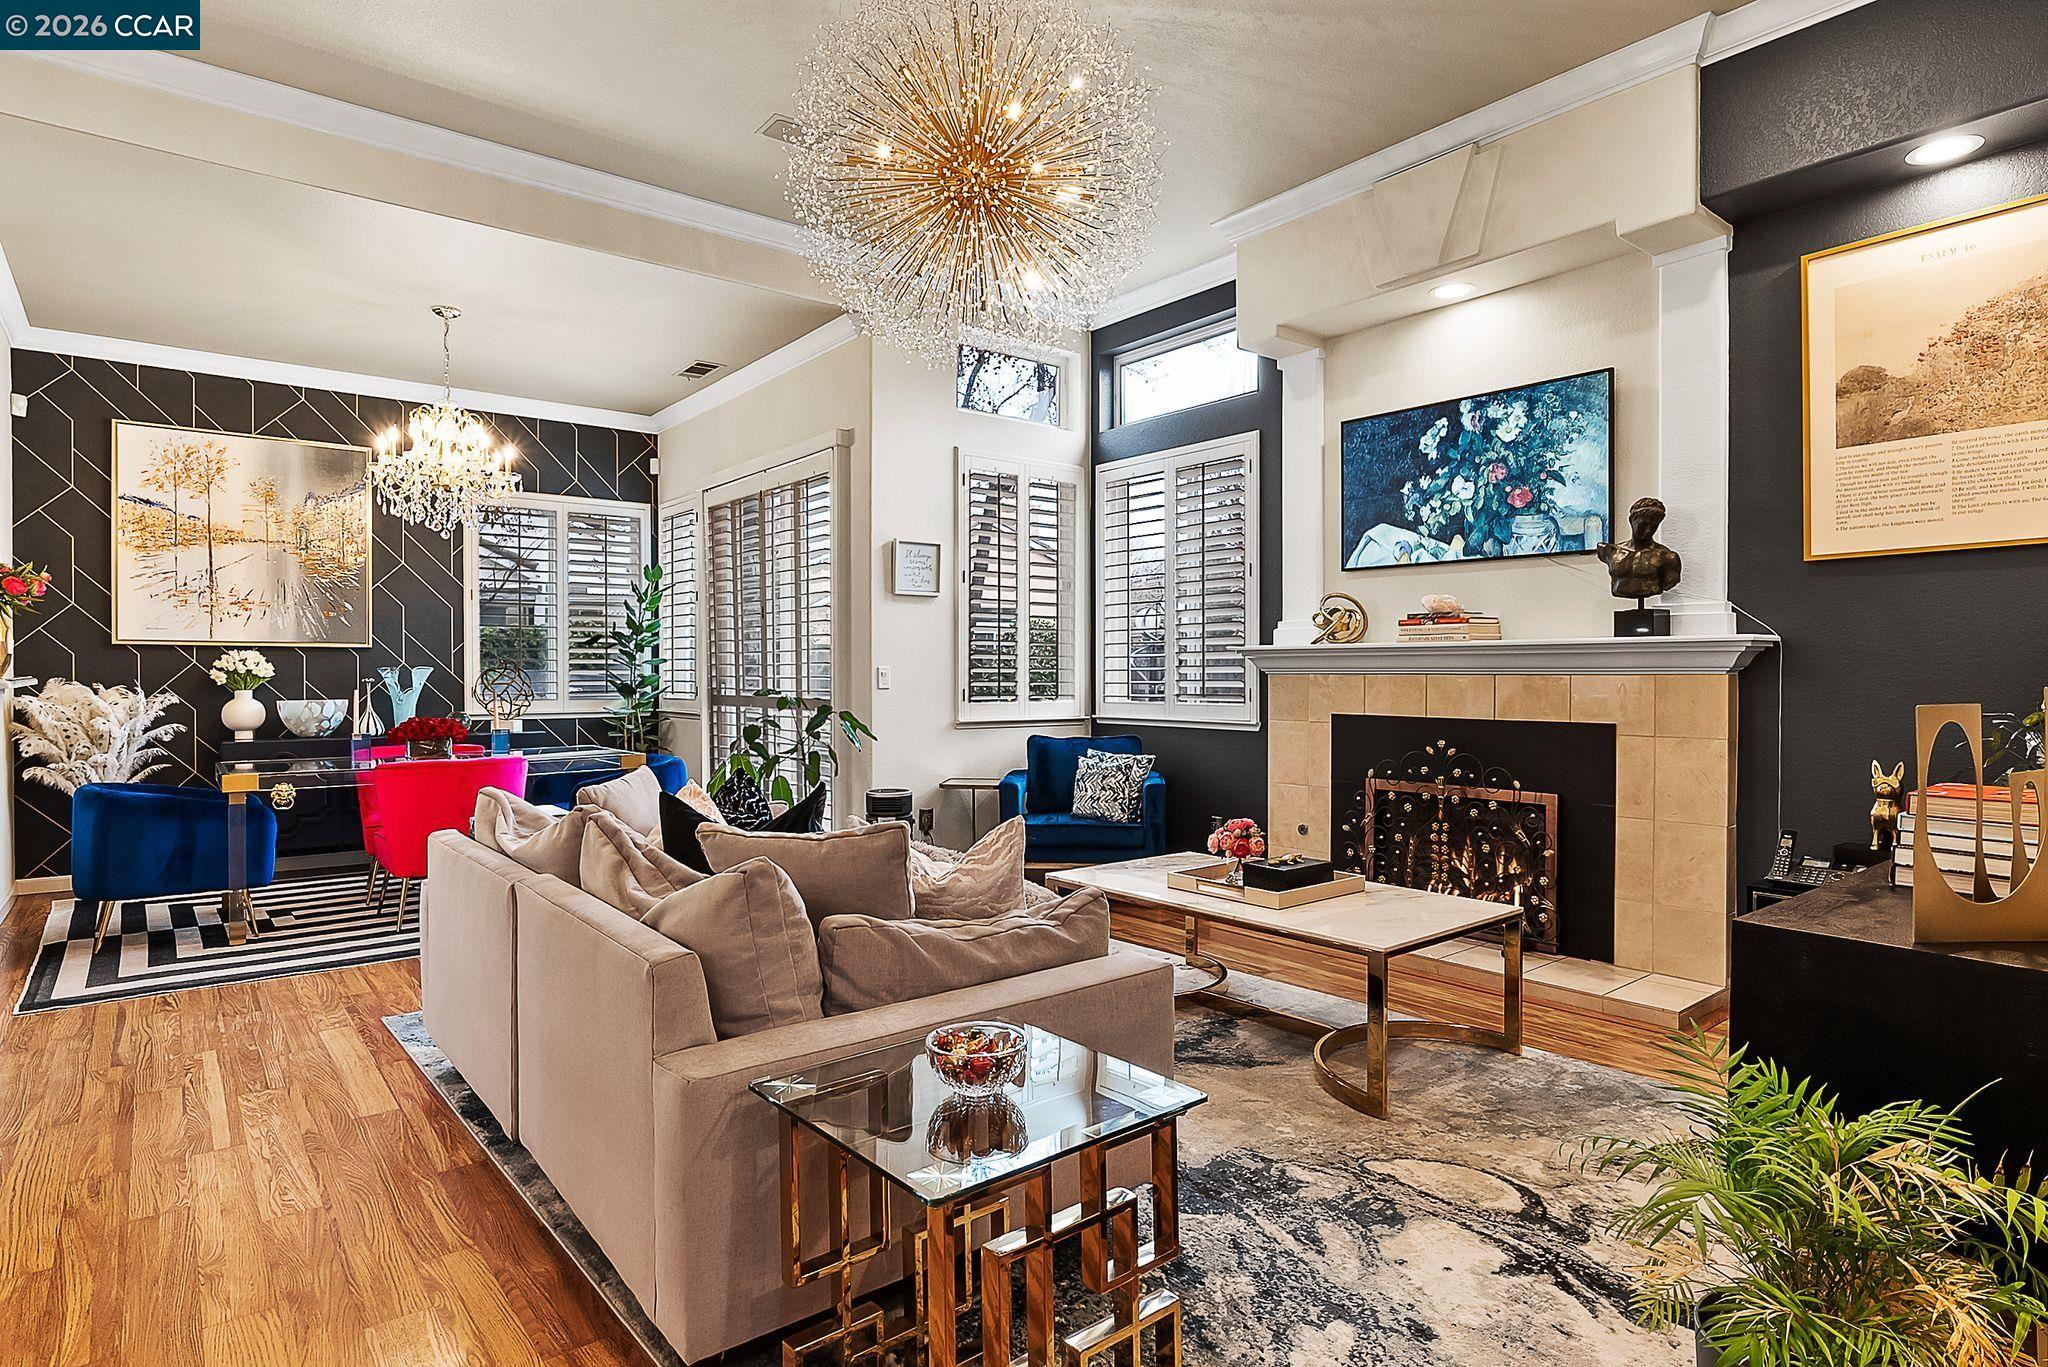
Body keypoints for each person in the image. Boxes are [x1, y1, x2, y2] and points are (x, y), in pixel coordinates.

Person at [1596, 496, 1682, 606]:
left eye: (1654, 526)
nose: (1648, 530)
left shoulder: (1667, 557)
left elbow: (1670, 582)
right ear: (1631, 521)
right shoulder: (1609, 551)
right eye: (1643, 525)